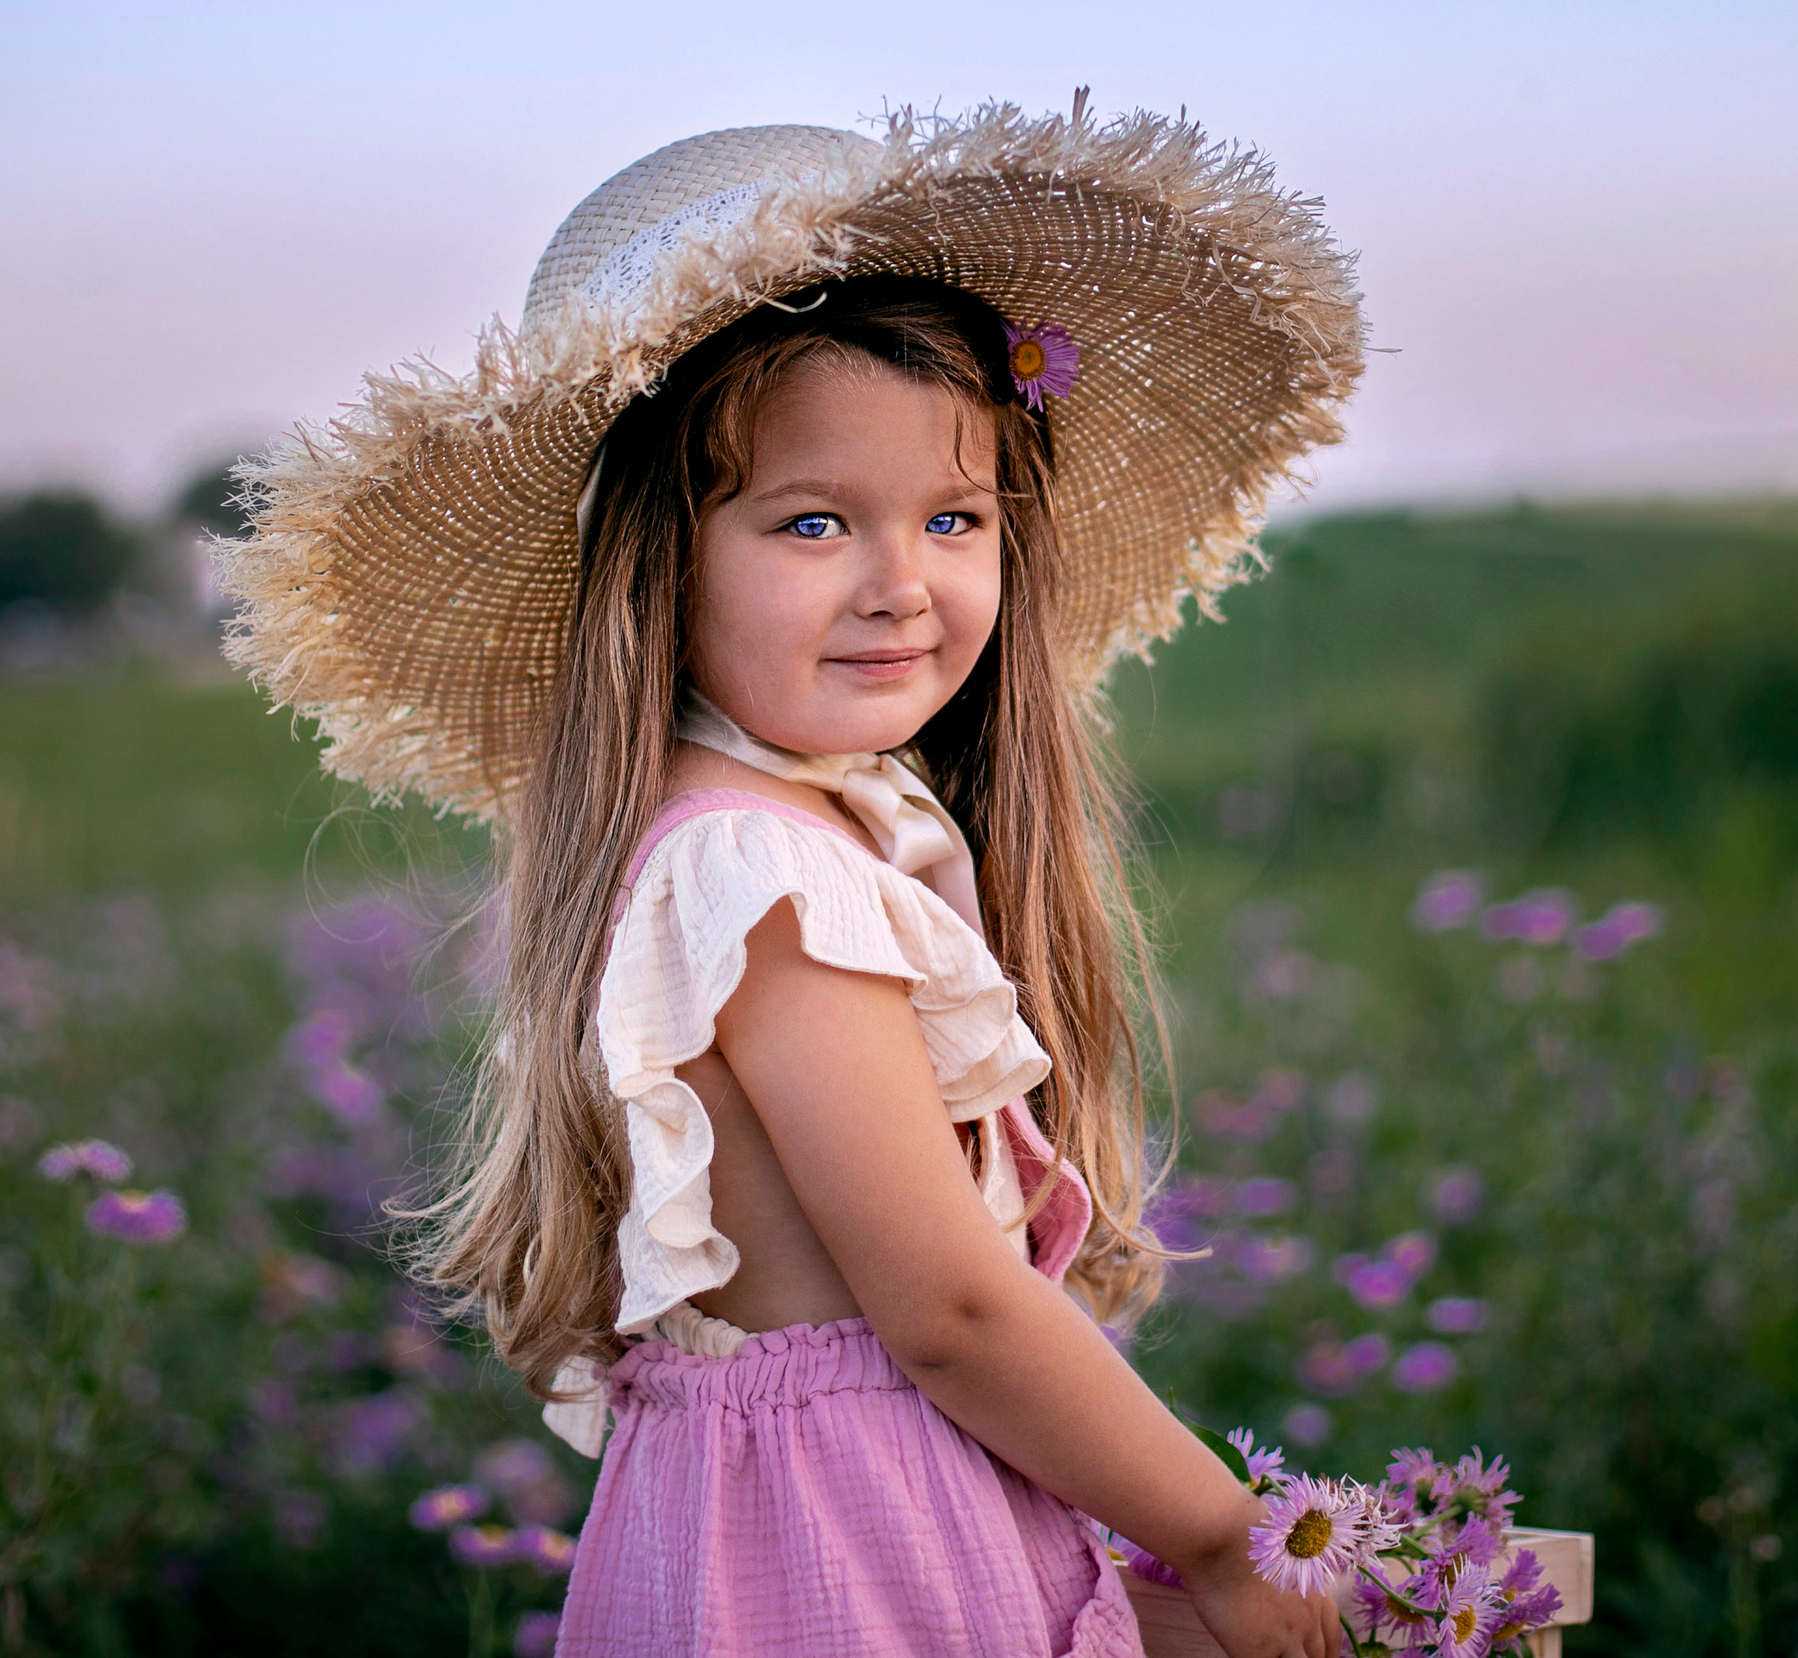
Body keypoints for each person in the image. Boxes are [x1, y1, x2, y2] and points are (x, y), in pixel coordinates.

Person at [218, 103, 1365, 1657]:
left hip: (834, 1522)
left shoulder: (785, 835)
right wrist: (1224, 1540)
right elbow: (954, 1313)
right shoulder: (763, 874)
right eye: (814, 521)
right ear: (660, 561)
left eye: (954, 518)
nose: (903, 583)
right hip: (857, 1549)